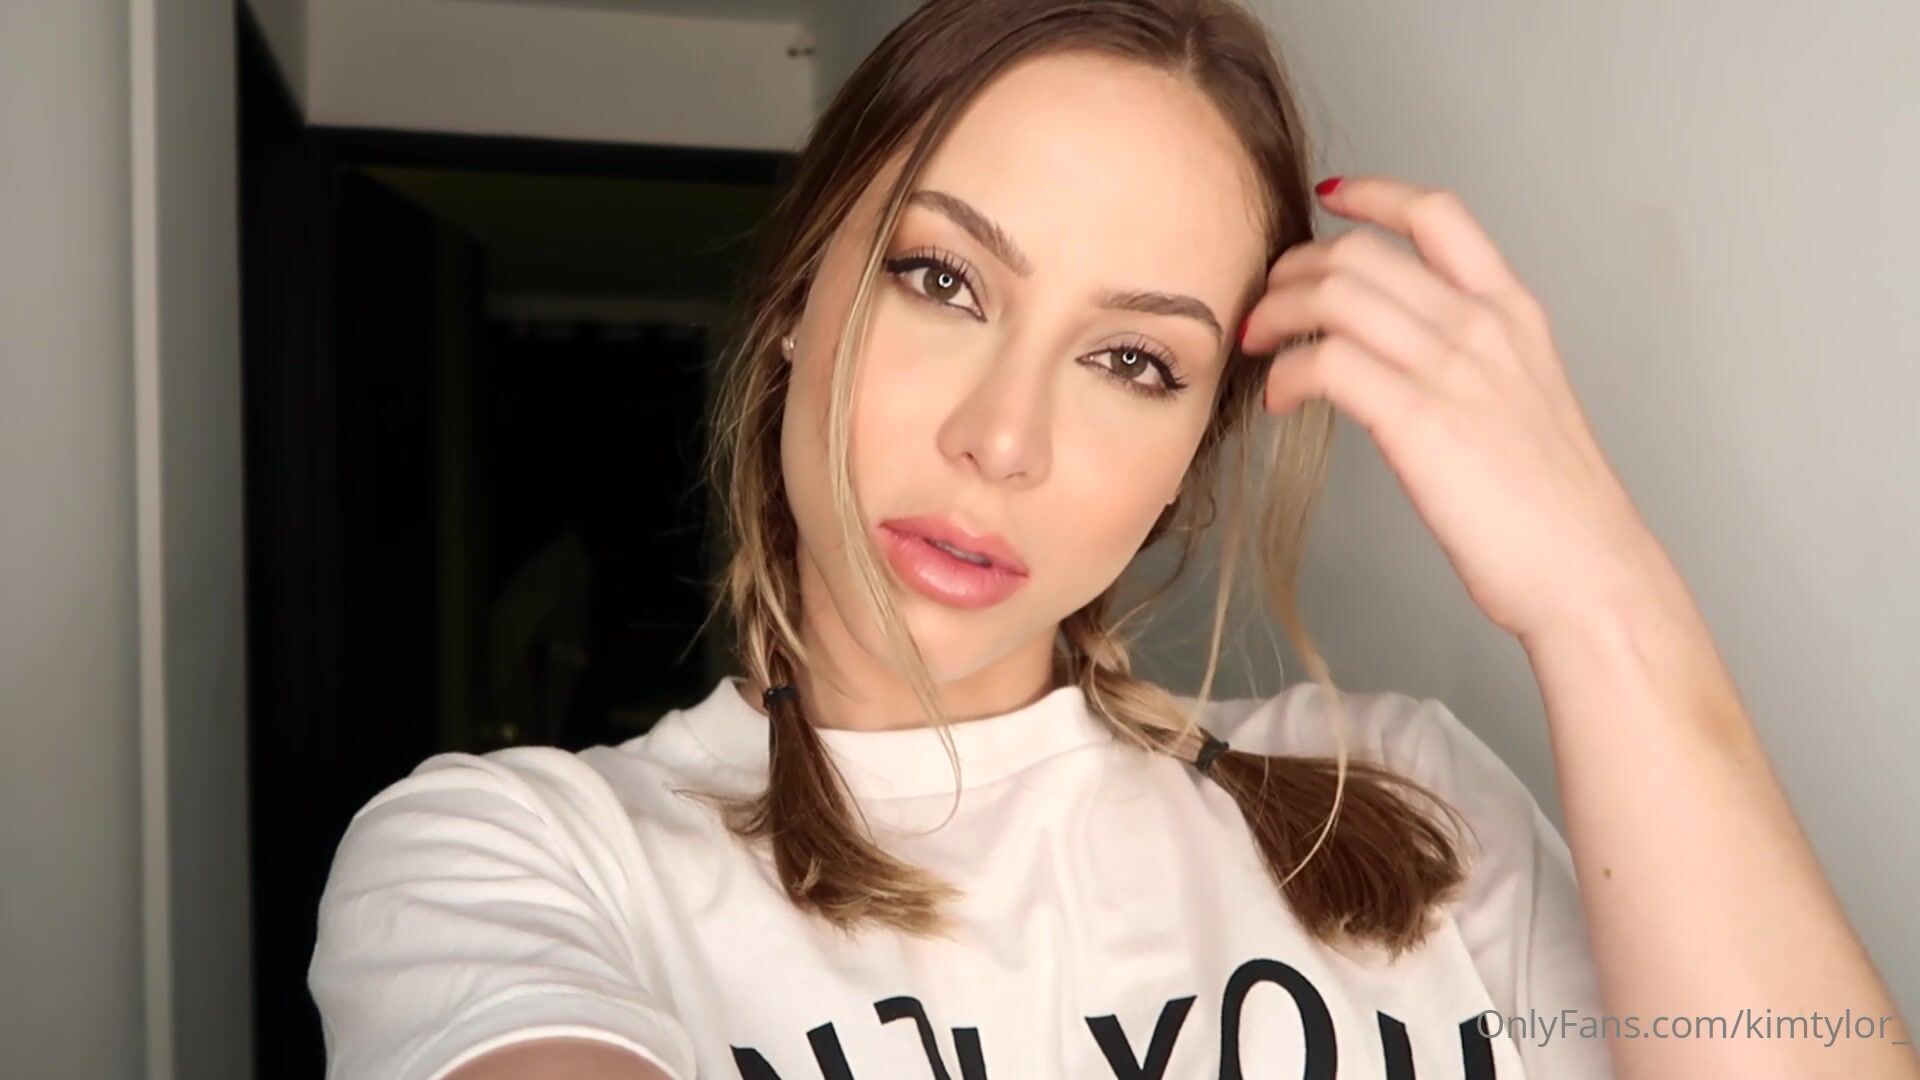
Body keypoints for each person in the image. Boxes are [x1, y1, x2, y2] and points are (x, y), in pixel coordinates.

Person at [307, 1, 1917, 1077]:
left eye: (1134, 361)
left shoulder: (1399, 804)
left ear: (1190, 463)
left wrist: (1602, 596)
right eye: (942, 281)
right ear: (798, 294)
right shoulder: (510, 857)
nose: (1003, 439)